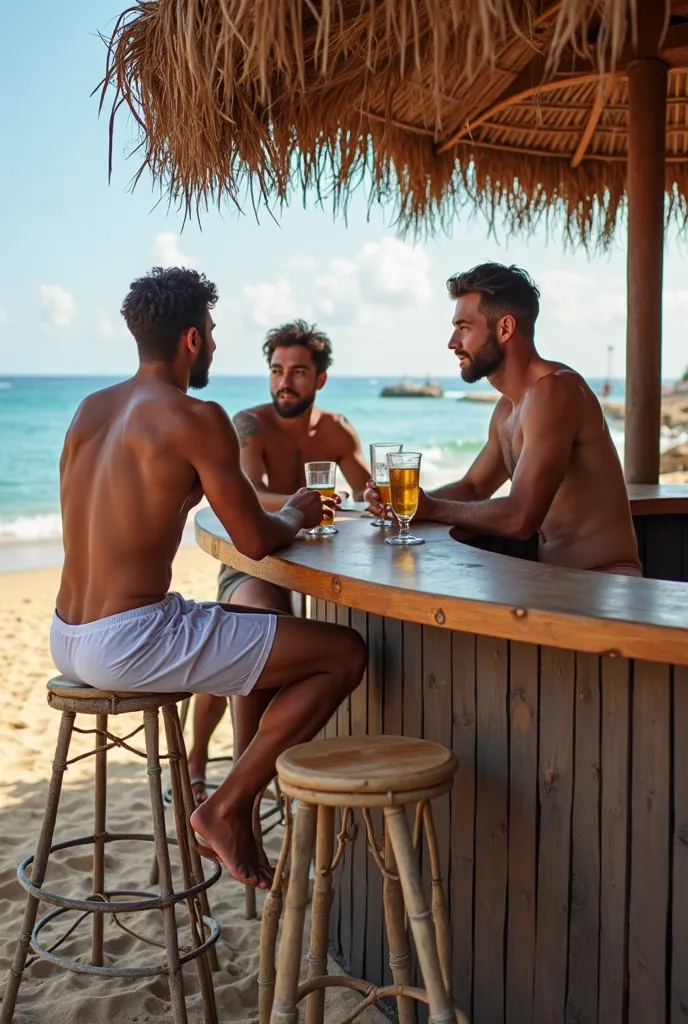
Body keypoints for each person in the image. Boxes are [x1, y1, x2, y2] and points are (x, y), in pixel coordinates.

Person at [50, 267, 368, 890]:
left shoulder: (91, 410)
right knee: (344, 653)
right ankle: (227, 804)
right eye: (214, 332)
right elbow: (253, 538)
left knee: (252, 624)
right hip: (132, 640)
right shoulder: (198, 416)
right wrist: (295, 514)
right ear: (192, 339)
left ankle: (219, 783)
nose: (216, 345)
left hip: (68, 634)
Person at [188, 319, 371, 803]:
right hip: (254, 558)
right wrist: (301, 505)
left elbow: (367, 491)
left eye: (298, 372)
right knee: (255, 626)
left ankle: (248, 779)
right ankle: (207, 765)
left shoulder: (336, 429)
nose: (284, 382)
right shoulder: (249, 424)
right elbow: (245, 495)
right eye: (276, 371)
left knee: (243, 639)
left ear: (320, 379)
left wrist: (383, 498)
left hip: (312, 560)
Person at [366, 262, 642, 576]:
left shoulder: (555, 391)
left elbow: (519, 518)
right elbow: (472, 488)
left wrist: (432, 508)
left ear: (505, 329)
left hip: (608, 582)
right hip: (560, 585)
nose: (452, 342)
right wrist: (403, 508)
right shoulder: (507, 409)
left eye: (464, 328)